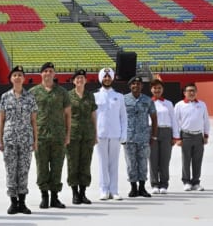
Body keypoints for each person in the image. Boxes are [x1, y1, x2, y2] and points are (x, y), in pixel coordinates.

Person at [0, 65, 37, 215]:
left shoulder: (30, 97)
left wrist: (35, 140)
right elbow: (1, 120)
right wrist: (0, 140)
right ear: (11, 79)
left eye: (20, 75)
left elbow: (34, 121)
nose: (18, 77)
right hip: (10, 140)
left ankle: (23, 202)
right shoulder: (5, 97)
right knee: (11, 170)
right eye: (15, 75)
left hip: (26, 139)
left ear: (24, 78)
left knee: (24, 170)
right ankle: (13, 202)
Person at [30, 62, 71, 209]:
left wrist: (68, 135)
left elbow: (68, 115)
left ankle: (55, 197)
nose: (48, 73)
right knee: (41, 167)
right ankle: (44, 196)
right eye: (45, 71)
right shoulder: (33, 92)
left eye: (51, 71)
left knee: (57, 166)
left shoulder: (62, 92)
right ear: (41, 74)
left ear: (54, 74)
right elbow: (30, 117)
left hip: (58, 136)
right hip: (40, 136)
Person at [94, 67, 127, 201]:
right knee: (102, 163)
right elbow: (93, 117)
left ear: (112, 78)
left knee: (114, 163)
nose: (107, 79)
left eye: (109, 77)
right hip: (100, 133)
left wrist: (124, 133)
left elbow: (123, 117)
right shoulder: (95, 96)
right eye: (104, 76)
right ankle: (103, 189)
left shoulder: (119, 96)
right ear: (101, 78)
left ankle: (114, 190)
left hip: (115, 133)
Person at [123, 76, 157, 198]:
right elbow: (119, 118)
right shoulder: (124, 99)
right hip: (129, 137)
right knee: (131, 163)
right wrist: (121, 135)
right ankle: (133, 187)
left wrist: (153, 136)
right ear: (130, 86)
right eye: (133, 84)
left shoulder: (148, 100)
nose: (136, 86)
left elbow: (154, 118)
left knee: (143, 163)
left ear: (142, 86)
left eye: (138, 84)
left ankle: (142, 187)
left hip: (144, 137)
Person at [66, 70, 97, 205]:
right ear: (73, 81)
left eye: (82, 78)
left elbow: (93, 116)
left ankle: (83, 193)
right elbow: (65, 116)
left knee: (85, 164)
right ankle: (75, 193)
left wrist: (95, 134)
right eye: (77, 78)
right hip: (72, 135)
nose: (79, 80)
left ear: (85, 81)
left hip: (87, 135)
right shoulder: (67, 96)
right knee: (73, 164)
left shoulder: (90, 96)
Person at [174, 83, 211, 192]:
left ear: (196, 92)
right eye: (189, 91)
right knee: (186, 160)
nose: (191, 93)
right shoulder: (179, 105)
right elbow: (175, 122)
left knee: (197, 160)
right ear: (184, 93)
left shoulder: (202, 104)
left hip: (198, 135)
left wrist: (206, 135)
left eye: (193, 90)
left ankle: (196, 182)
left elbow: (206, 120)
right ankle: (186, 182)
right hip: (186, 135)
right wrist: (177, 138)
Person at [149, 78, 178, 194]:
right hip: (152, 131)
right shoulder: (148, 102)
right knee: (153, 159)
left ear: (163, 89)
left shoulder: (168, 103)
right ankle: (155, 184)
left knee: (165, 160)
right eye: (155, 88)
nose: (157, 90)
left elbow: (174, 120)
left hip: (166, 131)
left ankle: (164, 184)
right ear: (151, 89)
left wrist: (175, 136)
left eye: (159, 88)